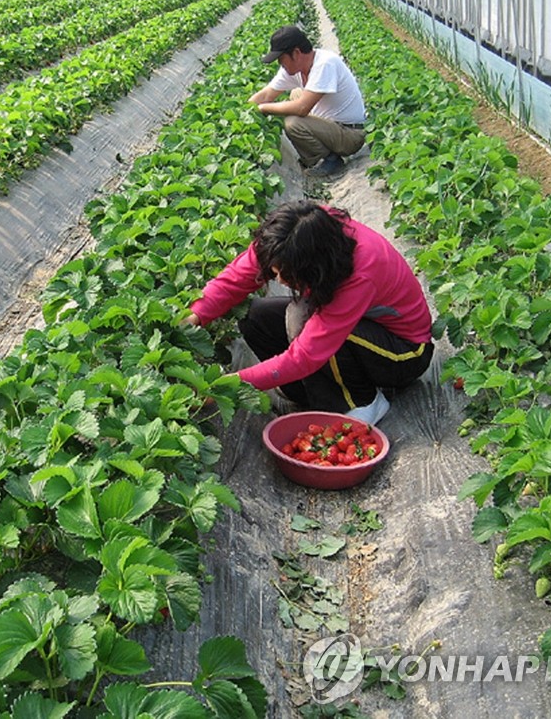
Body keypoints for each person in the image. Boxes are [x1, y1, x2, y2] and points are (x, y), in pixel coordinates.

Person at [183, 200, 434, 425]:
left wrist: (225, 386)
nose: (278, 279)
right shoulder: (293, 234)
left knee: (300, 318)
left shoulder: (360, 271)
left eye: (285, 274)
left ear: (315, 268)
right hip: (361, 329)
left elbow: (305, 356)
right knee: (255, 316)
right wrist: (193, 319)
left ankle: (363, 402)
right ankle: (308, 394)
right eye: (275, 271)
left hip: (403, 352)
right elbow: (239, 276)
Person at [249, 25, 367, 180]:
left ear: (296, 53)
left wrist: (264, 108)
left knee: (293, 122)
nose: (279, 64)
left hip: (350, 134)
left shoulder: (325, 64)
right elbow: (267, 94)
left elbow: (302, 108)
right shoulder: (295, 68)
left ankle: (329, 159)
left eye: (281, 58)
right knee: (296, 93)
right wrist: (246, 110)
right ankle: (320, 152)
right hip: (330, 125)